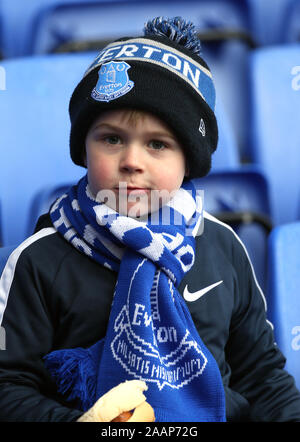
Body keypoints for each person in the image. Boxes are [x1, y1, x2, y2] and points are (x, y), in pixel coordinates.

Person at [0, 16, 300, 423]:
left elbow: (263, 377)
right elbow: (7, 388)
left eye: (158, 144)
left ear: (189, 160)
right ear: (83, 148)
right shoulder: (39, 259)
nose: (131, 162)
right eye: (111, 139)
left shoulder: (223, 245)